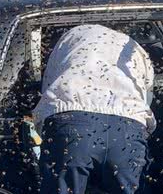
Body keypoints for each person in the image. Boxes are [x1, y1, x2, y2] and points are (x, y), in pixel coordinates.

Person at [33, 24, 156, 194]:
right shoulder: (133, 48)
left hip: (72, 125)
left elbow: (49, 88)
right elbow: (146, 94)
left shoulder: (70, 39)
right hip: (127, 128)